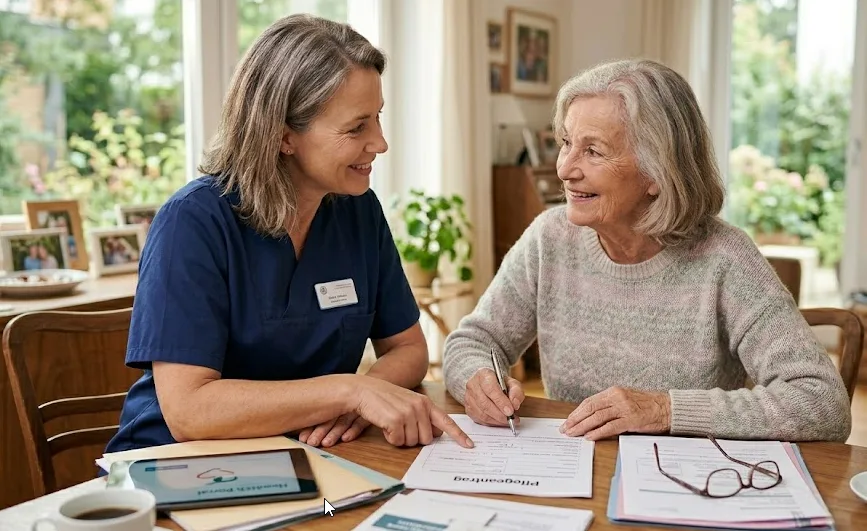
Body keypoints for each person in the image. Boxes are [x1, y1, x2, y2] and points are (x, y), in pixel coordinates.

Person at [105, 14, 473, 453]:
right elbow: (189, 411)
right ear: (283, 137)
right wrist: (348, 392)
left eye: (377, 118)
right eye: (357, 127)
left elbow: (409, 348)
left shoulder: (357, 210)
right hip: (180, 465)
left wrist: (365, 396)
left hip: (308, 453)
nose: (380, 142)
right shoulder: (193, 222)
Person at [442, 59, 851, 443]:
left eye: (593, 150)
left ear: (658, 172)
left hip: (688, 488)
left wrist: (665, 410)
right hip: (573, 471)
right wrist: (476, 378)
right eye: (566, 143)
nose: (565, 168)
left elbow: (822, 401)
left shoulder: (725, 259)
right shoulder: (550, 237)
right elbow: (472, 342)